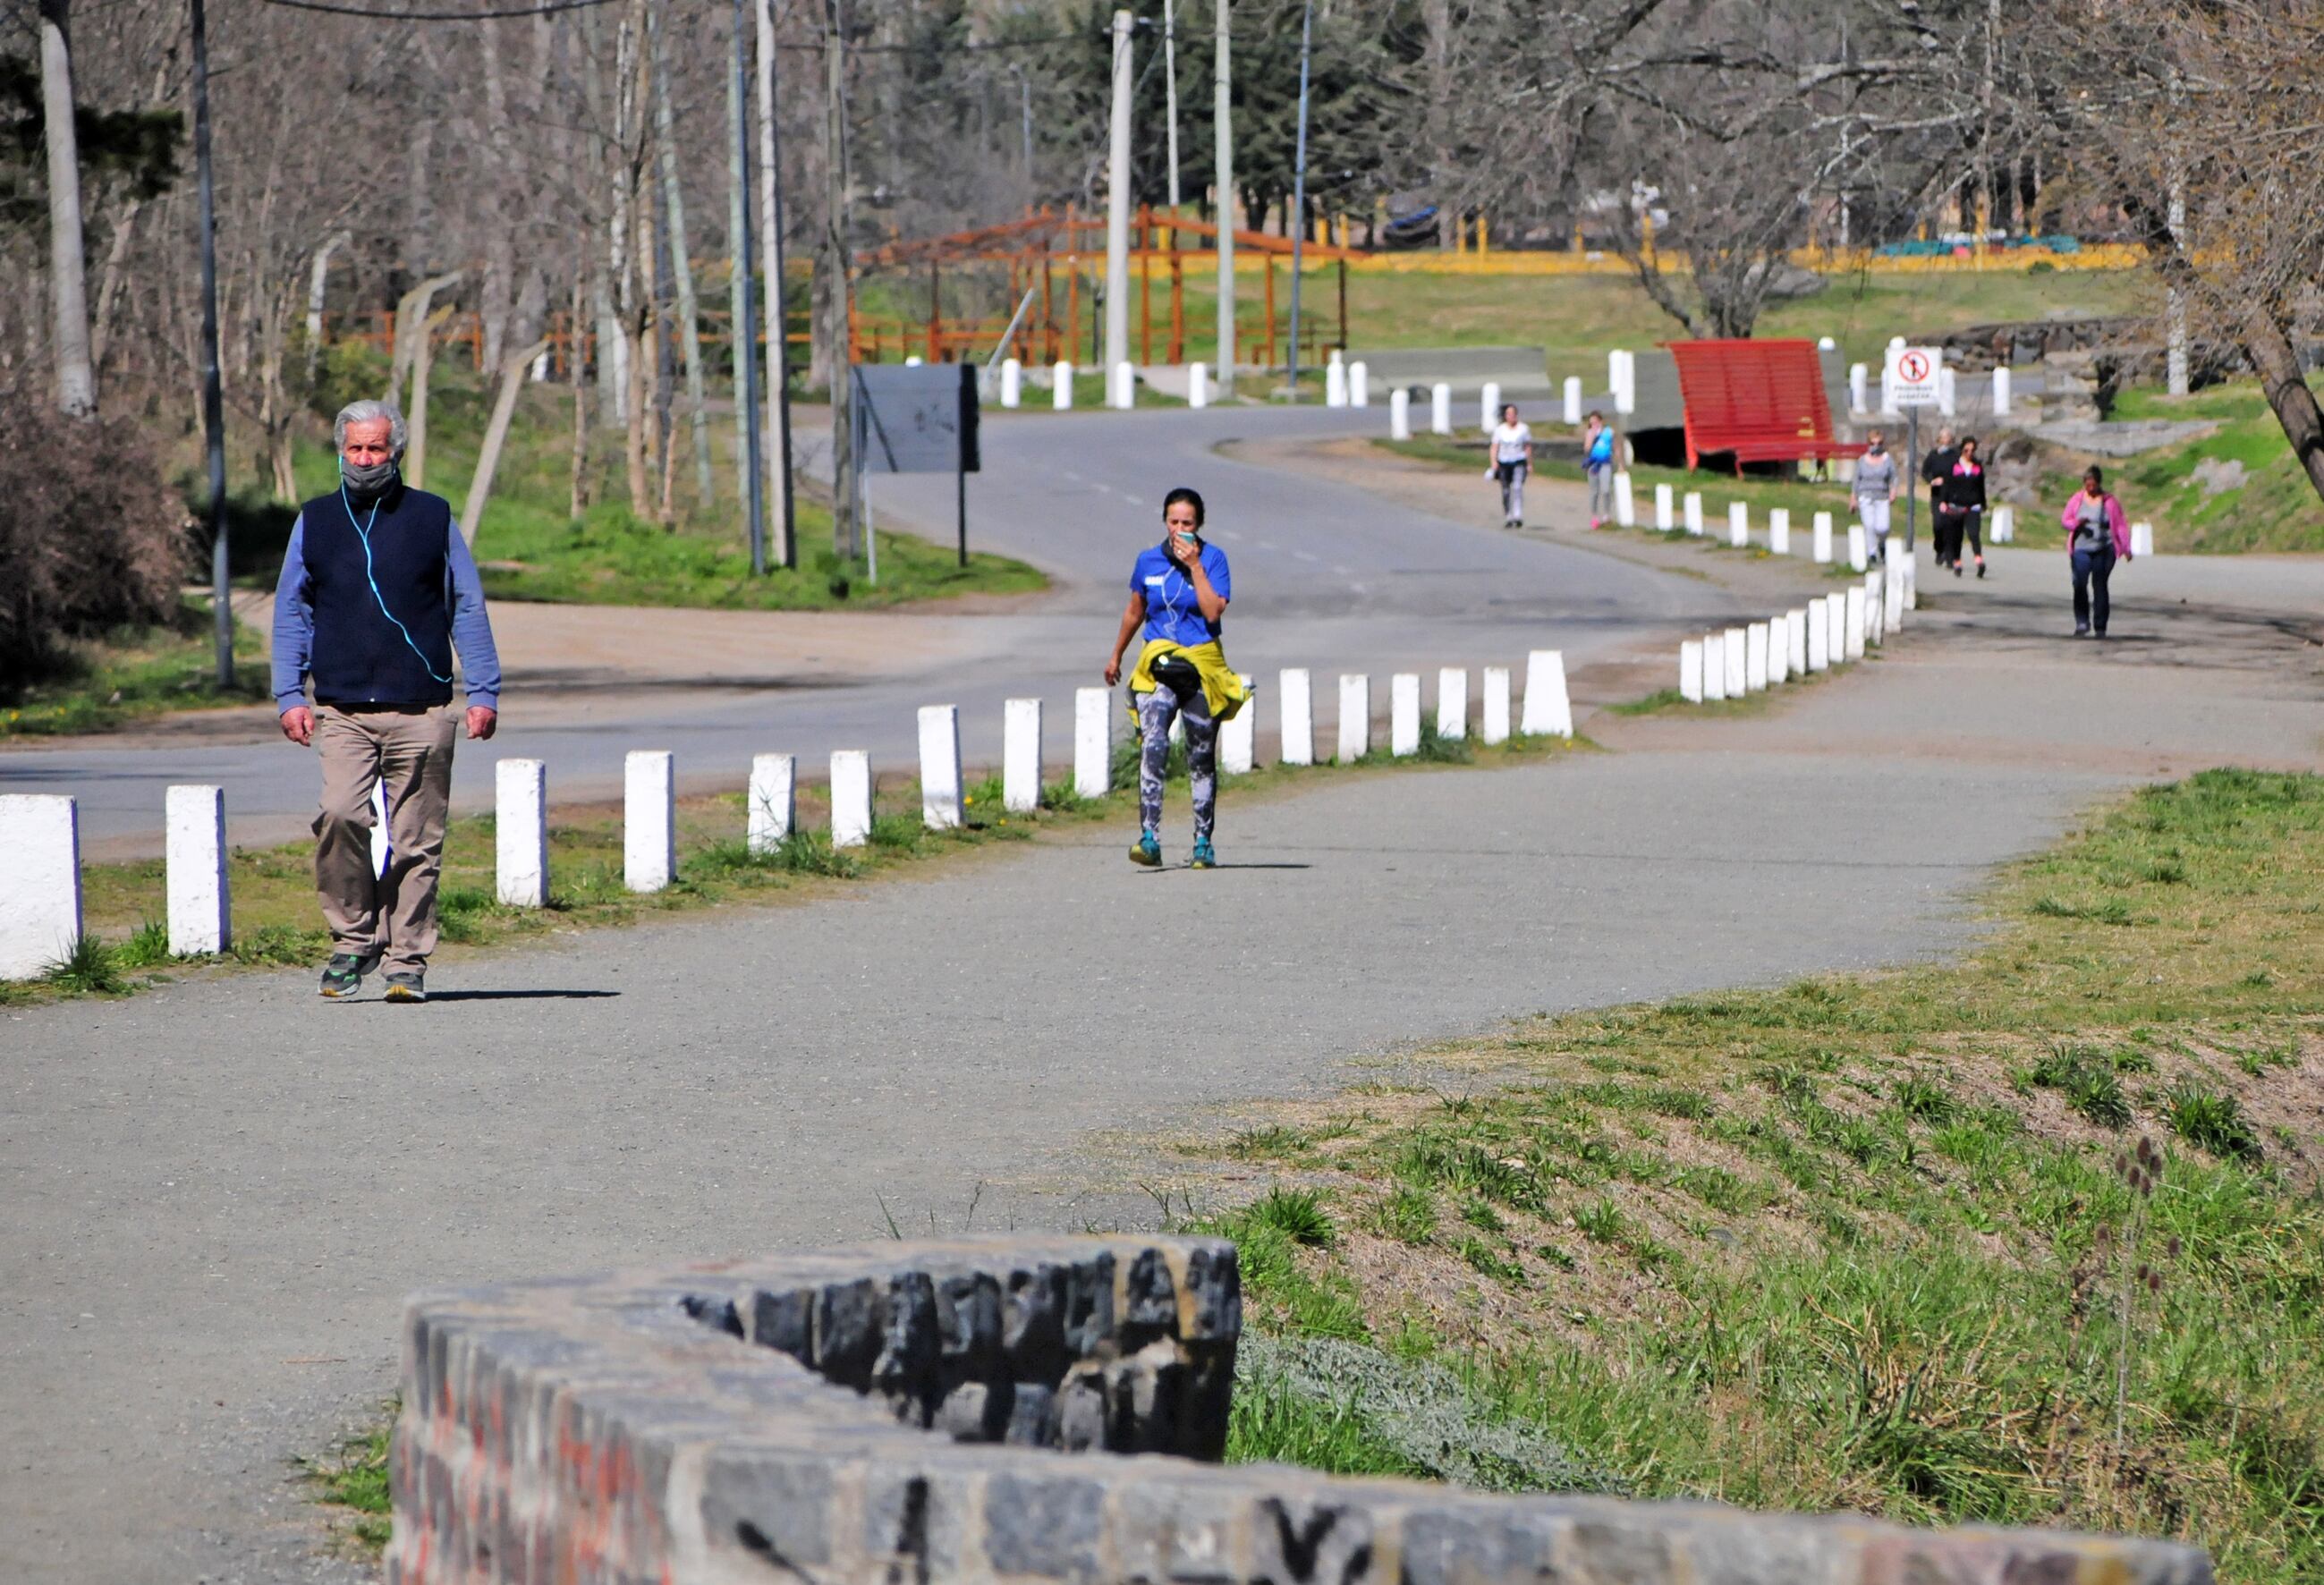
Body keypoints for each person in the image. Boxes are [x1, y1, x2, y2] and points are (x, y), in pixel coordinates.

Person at [272, 399, 502, 1003]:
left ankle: (407, 959)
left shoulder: (431, 517)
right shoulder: (315, 521)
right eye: (356, 449)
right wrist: (289, 693)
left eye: (377, 449)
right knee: (341, 816)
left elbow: (467, 605)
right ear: (341, 451)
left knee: (416, 840)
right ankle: (353, 939)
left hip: (422, 708)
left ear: (395, 451)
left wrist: (484, 690)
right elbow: (292, 613)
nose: (366, 459)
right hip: (344, 710)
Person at [1103, 487, 1247, 869]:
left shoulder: (1215, 559)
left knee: (1200, 757)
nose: (1180, 530)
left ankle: (1203, 842)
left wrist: (1196, 566)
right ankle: (1149, 837)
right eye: (1173, 522)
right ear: (1164, 521)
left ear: (1198, 524)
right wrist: (1116, 655)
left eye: (1187, 523)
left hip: (1201, 666)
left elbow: (1213, 611)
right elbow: (1135, 612)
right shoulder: (1147, 561)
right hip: (1159, 663)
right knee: (1154, 744)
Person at [2059, 463, 2133, 638]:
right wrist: (2077, 523)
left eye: (2093, 485)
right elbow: (2065, 520)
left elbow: (2121, 525)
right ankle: (2082, 622)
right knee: (2079, 584)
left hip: (2104, 549)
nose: (2090, 489)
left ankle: (2100, 625)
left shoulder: (2110, 502)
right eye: (2087, 485)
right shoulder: (2077, 499)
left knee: (2100, 586)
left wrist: (2126, 548)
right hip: (2081, 548)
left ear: (2099, 484)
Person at [1938, 434, 1989, 579]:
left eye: (1972, 450)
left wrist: (1983, 503)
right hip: (1956, 505)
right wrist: (1943, 501)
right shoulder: (1953, 466)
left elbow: (1981, 487)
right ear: (1962, 450)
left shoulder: (1977, 466)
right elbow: (1946, 485)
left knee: (1974, 534)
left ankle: (1979, 561)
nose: (1969, 453)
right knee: (1957, 536)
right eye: (1966, 450)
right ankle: (1957, 562)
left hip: (1973, 506)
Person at [1851, 428, 1899, 563]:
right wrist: (1853, 498)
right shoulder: (1862, 460)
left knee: (1883, 527)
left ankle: (1882, 544)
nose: (1876, 446)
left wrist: (1893, 491)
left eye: (1879, 443)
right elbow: (1856, 479)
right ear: (1868, 444)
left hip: (1882, 497)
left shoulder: (1887, 459)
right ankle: (1871, 552)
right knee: (1869, 525)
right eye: (1873, 443)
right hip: (1865, 496)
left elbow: (1894, 476)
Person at [1484, 403, 1532, 528]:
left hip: (1518, 461)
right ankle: (1508, 515)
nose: (1512, 416)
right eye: (1509, 414)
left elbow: (1527, 447)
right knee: (1506, 490)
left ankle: (1518, 515)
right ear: (1505, 416)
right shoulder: (1500, 430)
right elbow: (1494, 447)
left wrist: (1529, 463)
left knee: (1517, 487)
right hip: (1504, 462)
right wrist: (1494, 462)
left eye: (1514, 414)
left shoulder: (1523, 429)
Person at [1921, 425, 1960, 568]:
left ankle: (1950, 557)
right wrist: (1932, 480)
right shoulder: (1933, 455)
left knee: (1950, 526)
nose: (1945, 439)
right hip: (1937, 495)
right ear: (1939, 439)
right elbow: (1925, 471)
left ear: (1951, 439)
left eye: (1948, 436)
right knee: (1938, 525)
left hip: (1952, 495)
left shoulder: (1956, 455)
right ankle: (1939, 549)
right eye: (1943, 436)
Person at [1582, 411, 1617, 529]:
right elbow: (1587, 449)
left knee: (1606, 490)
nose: (1594, 425)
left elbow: (1615, 446)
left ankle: (1607, 514)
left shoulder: (1608, 432)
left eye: (1596, 422)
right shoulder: (1589, 433)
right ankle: (1594, 516)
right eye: (1591, 423)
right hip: (1593, 464)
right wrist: (1592, 438)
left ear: (1600, 421)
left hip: (1606, 463)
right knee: (1594, 492)